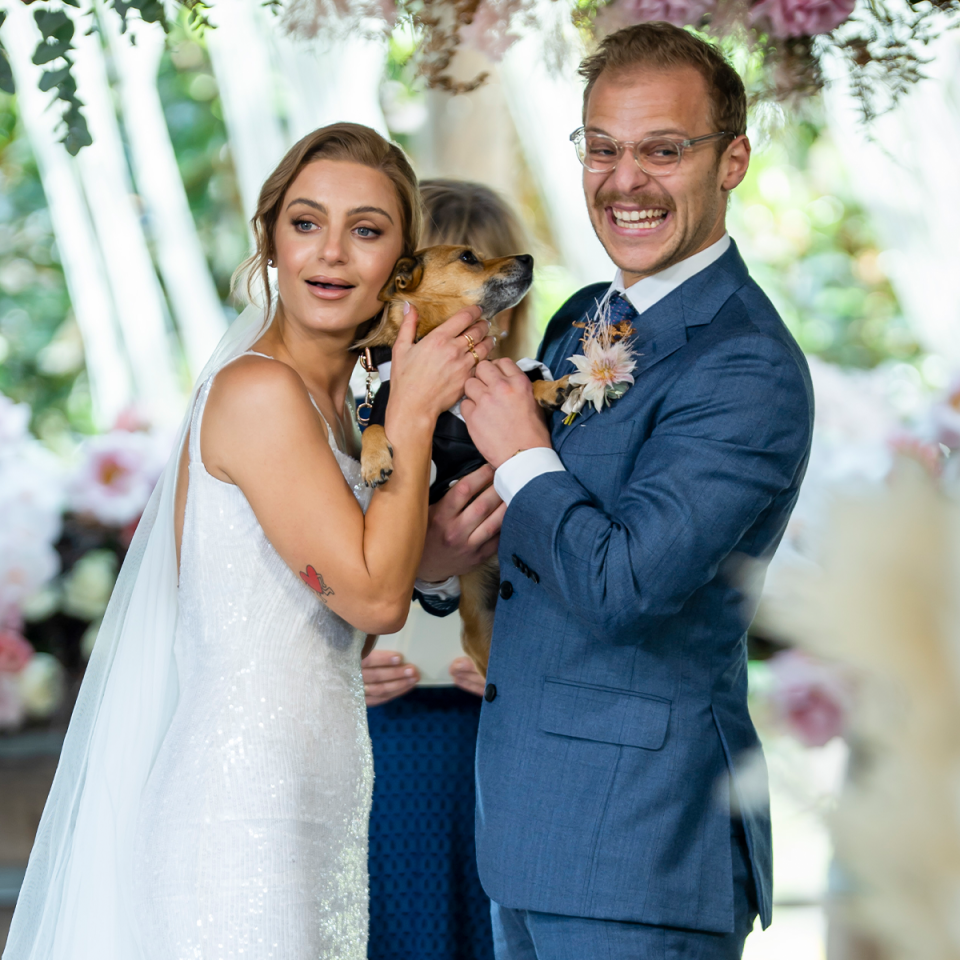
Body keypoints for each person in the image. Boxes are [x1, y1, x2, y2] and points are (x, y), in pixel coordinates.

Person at [3, 123, 494, 960]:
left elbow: (329, 606)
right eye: (306, 223)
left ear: (401, 263)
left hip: (318, 802)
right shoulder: (261, 392)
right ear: (270, 240)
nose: (330, 254)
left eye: (366, 231)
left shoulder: (337, 409)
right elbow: (373, 597)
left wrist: (432, 556)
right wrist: (413, 412)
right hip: (239, 813)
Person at [458, 23, 814, 960]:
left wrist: (520, 454)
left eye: (663, 149)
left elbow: (626, 586)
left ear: (732, 158)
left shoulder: (745, 365)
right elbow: (542, 542)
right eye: (603, 148)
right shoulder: (590, 315)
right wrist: (445, 556)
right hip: (530, 832)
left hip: (642, 851)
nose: (625, 181)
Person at [361, 179, 533, 960]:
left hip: (497, 733)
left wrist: (518, 668)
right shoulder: (355, 406)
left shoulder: (533, 402)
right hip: (380, 729)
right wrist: (332, 671)